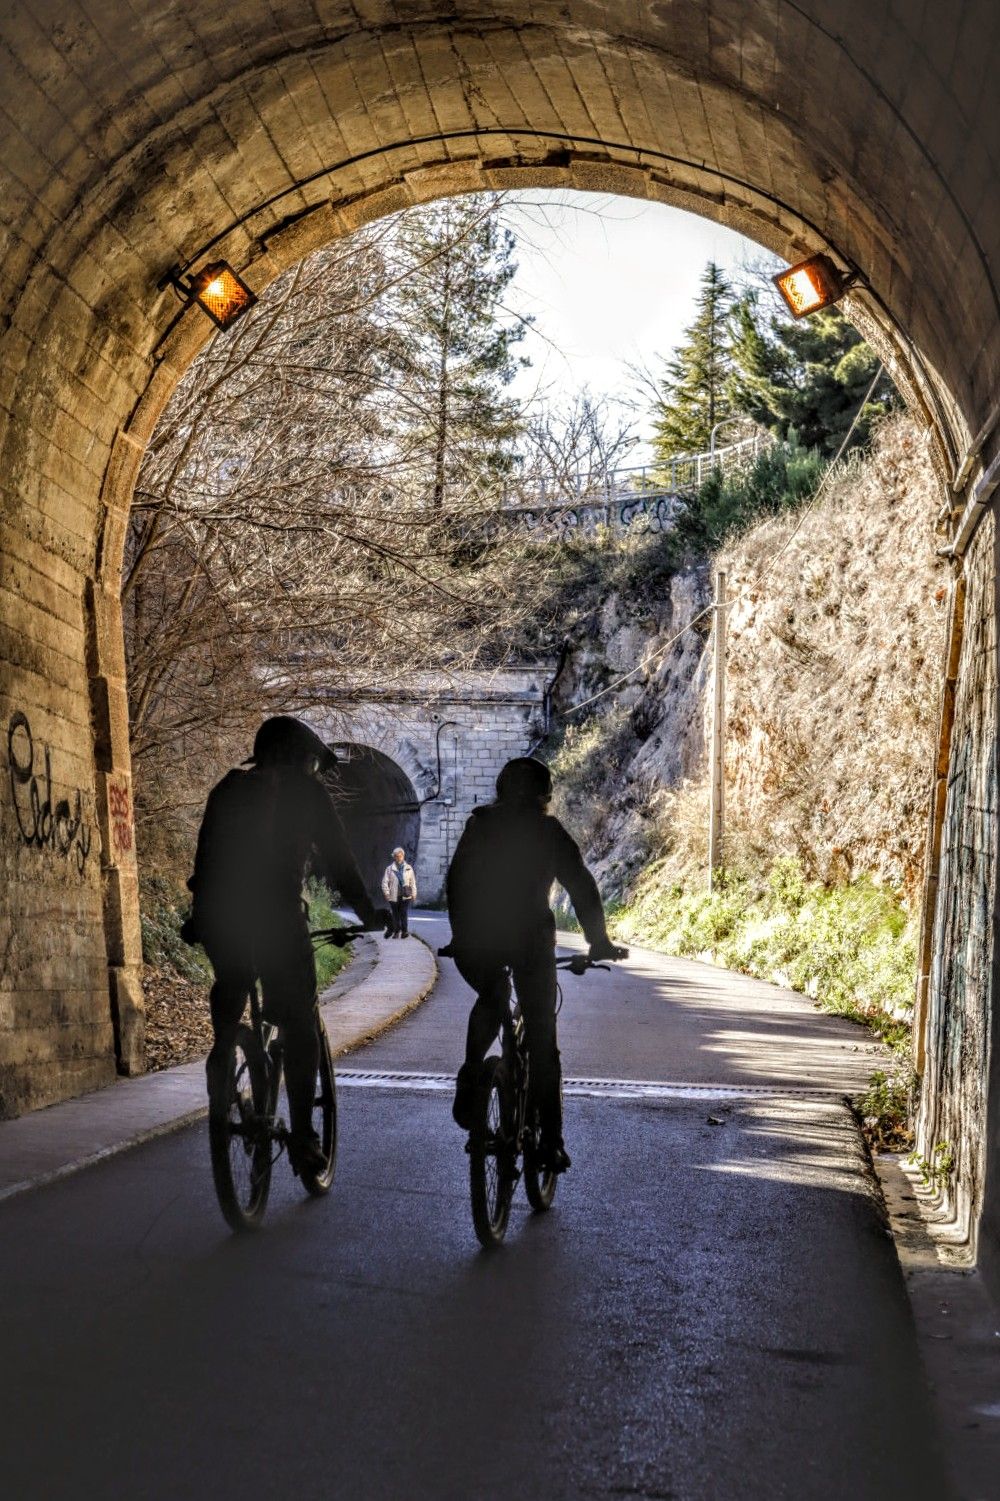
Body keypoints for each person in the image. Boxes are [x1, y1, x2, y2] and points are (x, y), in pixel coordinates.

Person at [186, 715, 386, 1176]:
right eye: (314, 763)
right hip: (274, 915)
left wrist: (199, 917)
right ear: (301, 759)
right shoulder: (306, 792)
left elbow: (206, 854)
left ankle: (222, 1054)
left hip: (220, 913)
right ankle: (303, 1137)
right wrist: (365, 910)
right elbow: (338, 859)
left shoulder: (228, 788)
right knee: (299, 1020)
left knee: (233, 977)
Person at [445, 755, 626, 1174]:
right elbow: (580, 885)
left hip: (479, 940)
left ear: (501, 790)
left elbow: (456, 880)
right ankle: (551, 1142)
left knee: (491, 996)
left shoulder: (479, 826)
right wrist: (597, 941)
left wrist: (460, 935)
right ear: (545, 794)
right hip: (529, 942)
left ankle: (473, 1075)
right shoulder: (548, 831)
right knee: (542, 1038)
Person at [382, 846, 417, 937]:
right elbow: (385, 882)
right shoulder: (389, 869)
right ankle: (397, 932)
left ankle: (404, 931)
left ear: (403, 856)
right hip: (393, 895)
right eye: (396, 856)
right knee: (395, 914)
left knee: (404, 913)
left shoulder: (409, 868)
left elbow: (412, 882)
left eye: (400, 856)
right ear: (394, 857)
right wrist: (386, 893)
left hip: (406, 895)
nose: (398, 858)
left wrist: (414, 893)